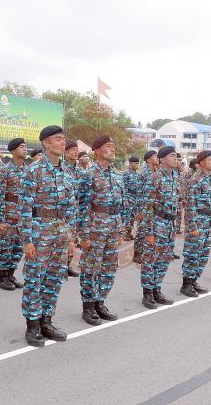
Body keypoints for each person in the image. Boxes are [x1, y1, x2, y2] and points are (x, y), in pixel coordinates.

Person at [21, 125, 77, 346]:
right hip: (39, 232)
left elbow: (71, 207)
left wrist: (71, 238)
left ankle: (47, 321)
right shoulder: (33, 171)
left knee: (54, 278)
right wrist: (27, 240)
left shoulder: (67, 172)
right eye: (57, 139)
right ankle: (33, 325)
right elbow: (25, 208)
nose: (62, 142)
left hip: (60, 234)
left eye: (64, 138)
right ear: (45, 143)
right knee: (35, 280)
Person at [77, 135, 126, 324]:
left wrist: (120, 231)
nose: (113, 149)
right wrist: (84, 235)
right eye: (108, 146)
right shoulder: (88, 175)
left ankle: (100, 302)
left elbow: (121, 206)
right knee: (91, 268)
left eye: (113, 146)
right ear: (97, 151)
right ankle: (88, 306)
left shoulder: (117, 175)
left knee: (109, 268)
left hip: (112, 228)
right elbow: (82, 207)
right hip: (95, 229)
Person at [140, 146, 179, 308]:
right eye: (172, 156)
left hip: (170, 225)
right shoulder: (155, 177)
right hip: (157, 224)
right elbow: (147, 206)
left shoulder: (175, 177)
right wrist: (148, 231)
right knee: (150, 260)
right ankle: (147, 294)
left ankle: (157, 289)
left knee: (164, 259)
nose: (176, 158)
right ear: (162, 159)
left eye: (176, 156)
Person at [180, 150, 211, 296]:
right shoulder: (196, 180)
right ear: (202, 163)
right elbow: (190, 205)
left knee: (203, 255)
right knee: (193, 254)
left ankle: (194, 280)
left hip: (208, 223)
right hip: (198, 223)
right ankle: (186, 284)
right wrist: (193, 227)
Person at [0, 138, 28, 291]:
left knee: (18, 248)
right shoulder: (5, 170)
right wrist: (0, 220)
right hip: (9, 215)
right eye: (22, 147)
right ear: (13, 150)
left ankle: (11, 275)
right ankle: (2, 278)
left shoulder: (28, 170)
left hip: (23, 216)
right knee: (6, 247)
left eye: (25, 146)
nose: (25, 149)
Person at [132, 150, 159, 265]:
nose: (157, 158)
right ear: (148, 160)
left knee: (150, 230)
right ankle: (137, 254)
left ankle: (147, 253)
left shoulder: (157, 172)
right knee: (141, 231)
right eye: (154, 156)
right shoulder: (144, 174)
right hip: (144, 207)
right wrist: (140, 210)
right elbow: (139, 193)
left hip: (154, 207)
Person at [63, 140, 81, 278]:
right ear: (65, 152)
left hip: (75, 210)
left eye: (77, 149)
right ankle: (59, 266)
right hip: (63, 210)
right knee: (63, 237)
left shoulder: (80, 171)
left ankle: (67, 264)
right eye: (73, 149)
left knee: (72, 238)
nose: (76, 152)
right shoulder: (61, 168)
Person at [121, 156, 141, 240]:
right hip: (128, 198)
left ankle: (129, 233)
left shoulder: (137, 174)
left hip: (135, 198)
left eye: (138, 163)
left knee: (133, 217)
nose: (137, 165)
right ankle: (125, 234)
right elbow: (123, 187)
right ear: (130, 163)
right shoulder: (126, 174)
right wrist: (125, 199)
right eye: (136, 163)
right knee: (127, 217)